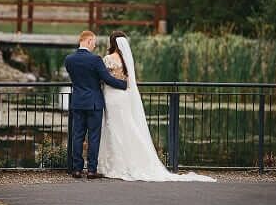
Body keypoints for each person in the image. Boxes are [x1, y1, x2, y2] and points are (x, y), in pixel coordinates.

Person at [98, 31, 216, 182]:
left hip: (112, 96)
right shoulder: (127, 59)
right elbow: (128, 79)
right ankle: (133, 161)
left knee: (113, 128)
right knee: (126, 127)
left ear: (111, 42)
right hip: (124, 97)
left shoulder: (108, 58)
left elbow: (105, 77)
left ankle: (115, 164)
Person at [64, 30, 127, 179]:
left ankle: (77, 170)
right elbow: (107, 79)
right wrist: (125, 85)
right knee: (93, 137)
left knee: (77, 136)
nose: (95, 45)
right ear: (88, 40)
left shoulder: (69, 59)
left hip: (78, 102)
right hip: (94, 103)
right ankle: (91, 170)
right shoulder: (95, 60)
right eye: (94, 42)